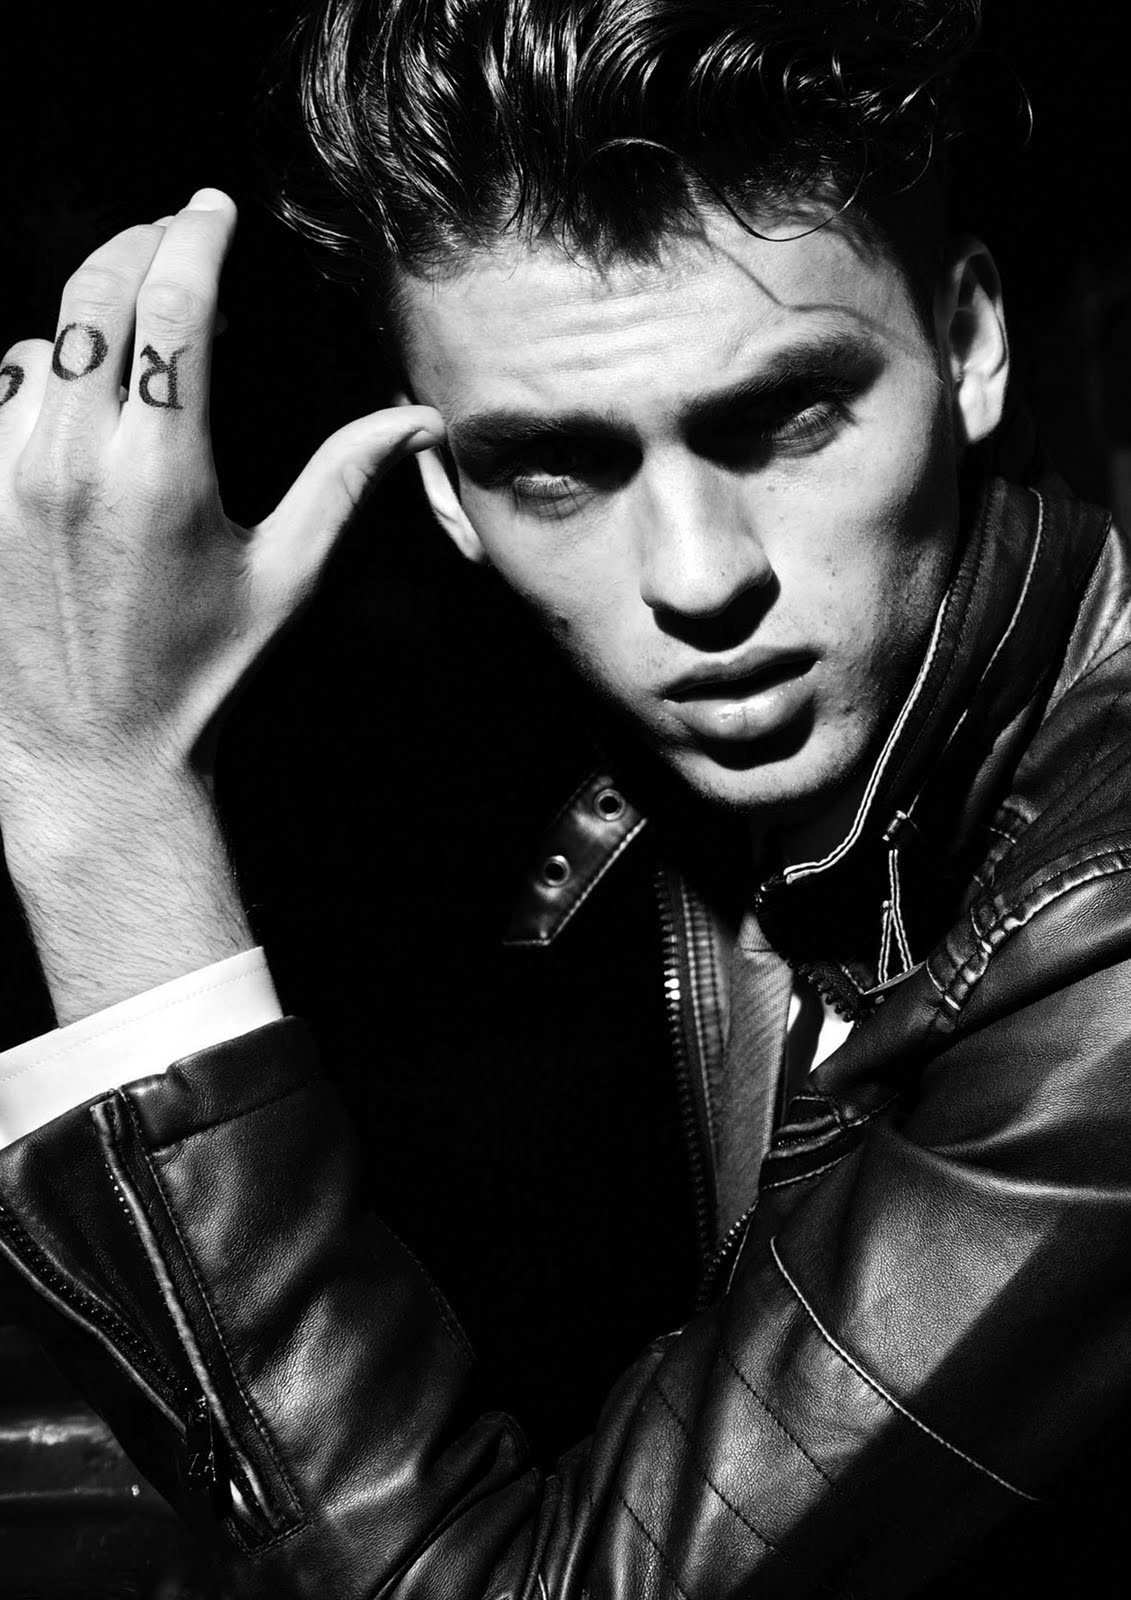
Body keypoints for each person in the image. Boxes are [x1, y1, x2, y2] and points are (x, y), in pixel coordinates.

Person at [0, 0, 1128, 1593]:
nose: (698, 579)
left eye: (786, 417)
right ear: (450, 497)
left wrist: (101, 805)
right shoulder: (629, 830)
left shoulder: (1108, 938)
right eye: (557, 469)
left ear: (969, 345)